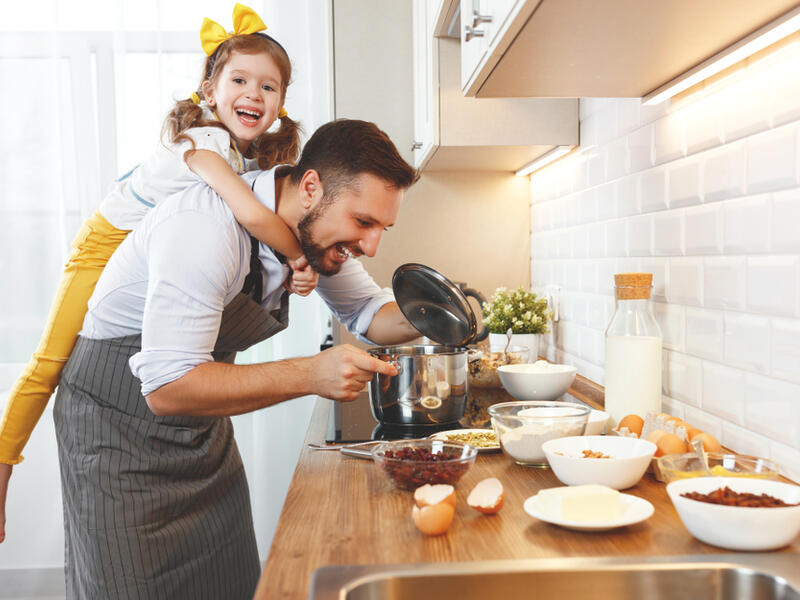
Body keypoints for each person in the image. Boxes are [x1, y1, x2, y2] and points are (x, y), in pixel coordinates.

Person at [46, 118, 419, 599]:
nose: (371, 245)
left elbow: (369, 312)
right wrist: (310, 373)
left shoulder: (310, 232)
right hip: (117, 438)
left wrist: (440, 311)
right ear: (310, 187)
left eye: (382, 227)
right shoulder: (204, 229)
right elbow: (167, 388)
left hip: (201, 434)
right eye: (364, 222)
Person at [0, 3, 317, 533]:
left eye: (269, 87)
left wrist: (294, 268)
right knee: (50, 360)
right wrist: (298, 255)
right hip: (104, 244)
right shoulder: (205, 143)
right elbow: (253, 215)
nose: (254, 95)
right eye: (239, 79)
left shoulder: (245, 157)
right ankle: (2, 465)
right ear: (209, 91)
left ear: (282, 103)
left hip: (141, 256)